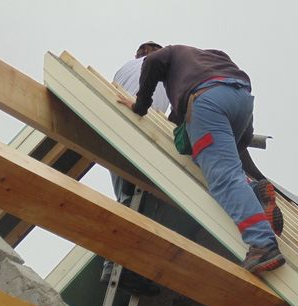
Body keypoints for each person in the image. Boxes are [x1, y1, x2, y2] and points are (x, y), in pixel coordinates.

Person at [118, 44, 285, 274]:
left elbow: (152, 61)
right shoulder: (206, 58)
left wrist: (140, 106)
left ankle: (263, 244)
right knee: (210, 159)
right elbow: (240, 137)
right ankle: (255, 192)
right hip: (241, 99)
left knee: (223, 179)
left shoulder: (169, 54)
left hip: (207, 101)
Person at [100, 41, 169, 296]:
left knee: (127, 200)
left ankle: (116, 265)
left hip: (113, 136)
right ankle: (127, 269)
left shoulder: (123, 69)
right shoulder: (162, 72)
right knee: (141, 206)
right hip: (140, 133)